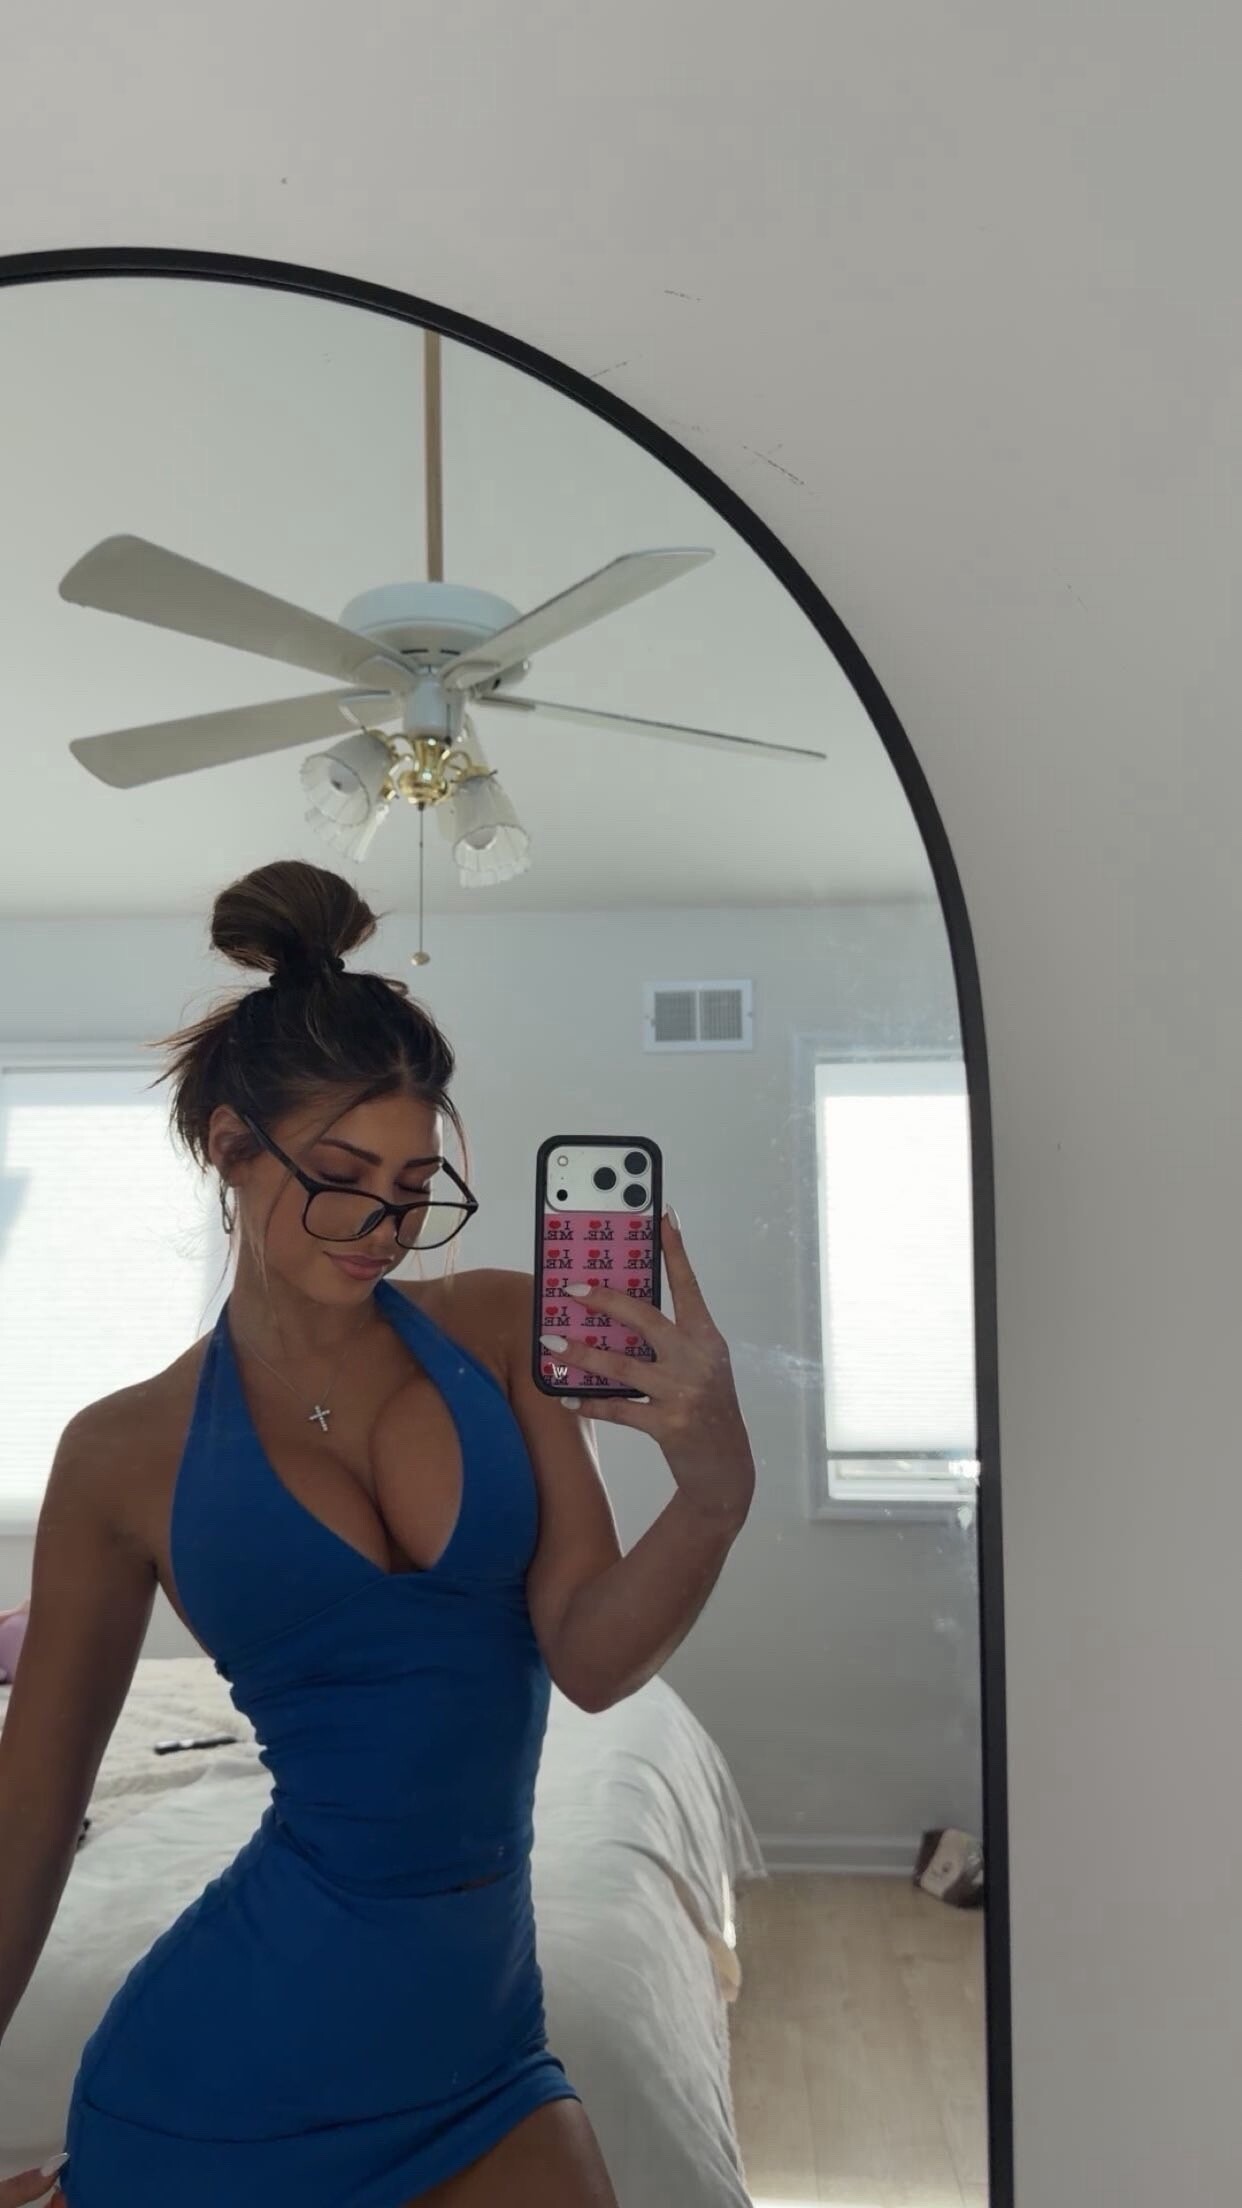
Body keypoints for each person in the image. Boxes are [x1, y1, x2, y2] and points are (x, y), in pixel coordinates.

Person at [0, 860, 756, 2208]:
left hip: (484, 2060)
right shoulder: (122, 1453)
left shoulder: (496, 1330)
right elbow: (32, 1813)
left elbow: (590, 1659)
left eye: (415, 1184)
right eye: (342, 1178)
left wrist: (714, 1489)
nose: (385, 1226)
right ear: (230, 1146)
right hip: (215, 2082)